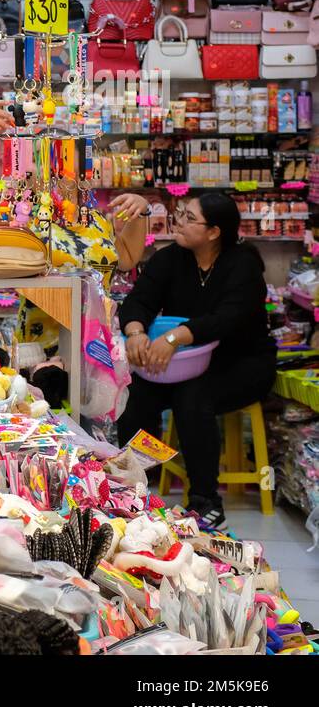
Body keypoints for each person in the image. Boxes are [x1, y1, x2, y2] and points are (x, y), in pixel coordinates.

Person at [115, 194, 276, 528]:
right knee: (136, 395)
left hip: (240, 362)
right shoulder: (171, 258)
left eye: (189, 218)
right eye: (180, 214)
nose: (179, 222)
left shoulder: (242, 265)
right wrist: (135, 333)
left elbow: (227, 318)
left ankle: (205, 500)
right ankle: (137, 485)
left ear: (214, 232)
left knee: (193, 398)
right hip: (184, 363)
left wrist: (175, 337)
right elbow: (139, 300)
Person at [0, 106, 151, 354]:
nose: (53, 170)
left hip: (97, 348)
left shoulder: (94, 219)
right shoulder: (23, 216)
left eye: (60, 157)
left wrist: (141, 210)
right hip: (42, 353)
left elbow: (126, 257)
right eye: (41, 158)